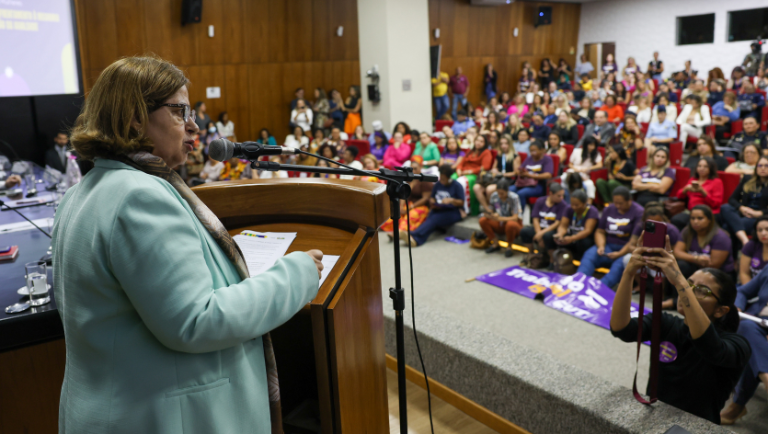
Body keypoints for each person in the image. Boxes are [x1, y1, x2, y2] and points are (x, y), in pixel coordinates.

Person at [57, 56, 323, 433]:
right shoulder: (138, 196)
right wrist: (295, 275)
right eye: (180, 111)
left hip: (110, 407)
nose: (195, 125)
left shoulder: (82, 193)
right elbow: (196, 320)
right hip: (158, 416)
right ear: (135, 116)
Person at [611, 245, 749, 425]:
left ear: (720, 311)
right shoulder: (666, 323)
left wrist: (681, 282)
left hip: (697, 428)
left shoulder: (738, 345)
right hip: (655, 418)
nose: (689, 291)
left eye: (701, 290)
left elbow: (709, 346)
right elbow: (621, 328)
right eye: (689, 283)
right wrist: (629, 273)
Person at [722, 265, 768, 425]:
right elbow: (743, 290)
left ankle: (738, 405)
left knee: (749, 337)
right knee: (748, 330)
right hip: (760, 324)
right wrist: (738, 307)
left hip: (757, 330)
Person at [577, 187, 644, 287]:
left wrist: (619, 253)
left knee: (618, 266)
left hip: (625, 249)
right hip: (608, 245)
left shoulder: (639, 212)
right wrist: (601, 246)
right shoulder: (609, 209)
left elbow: (633, 241)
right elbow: (600, 231)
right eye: (615, 202)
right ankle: (578, 282)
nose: (617, 206)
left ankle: (600, 288)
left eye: (621, 203)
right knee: (589, 255)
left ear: (630, 200)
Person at [403, 164, 464, 247]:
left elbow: (461, 202)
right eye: (441, 177)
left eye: (443, 178)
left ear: (449, 177)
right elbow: (432, 197)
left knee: (434, 219)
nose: (441, 180)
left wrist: (451, 200)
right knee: (431, 217)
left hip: (453, 211)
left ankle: (413, 234)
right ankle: (417, 240)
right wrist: (433, 201)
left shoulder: (457, 186)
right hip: (439, 209)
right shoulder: (438, 184)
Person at [674, 205, 735, 279]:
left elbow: (713, 265)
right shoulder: (687, 231)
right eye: (692, 218)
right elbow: (677, 252)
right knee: (679, 266)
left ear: (709, 220)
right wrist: (696, 258)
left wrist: (690, 258)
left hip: (719, 274)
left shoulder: (721, 237)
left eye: (700, 218)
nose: (695, 221)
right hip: (697, 268)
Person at [719, 155, 768, 246]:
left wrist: (760, 213)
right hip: (743, 212)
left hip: (759, 217)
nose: (763, 168)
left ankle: (732, 257)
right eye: (760, 165)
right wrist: (742, 208)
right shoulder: (747, 179)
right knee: (725, 207)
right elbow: (732, 199)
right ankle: (744, 239)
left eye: (766, 166)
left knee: (727, 226)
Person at [519, 183, 568, 268]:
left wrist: (541, 234)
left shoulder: (563, 205)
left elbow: (557, 223)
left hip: (552, 229)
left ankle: (552, 260)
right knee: (525, 231)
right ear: (551, 194)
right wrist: (539, 233)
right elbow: (535, 219)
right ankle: (530, 255)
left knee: (547, 236)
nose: (561, 198)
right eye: (559, 196)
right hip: (540, 228)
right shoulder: (540, 201)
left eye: (562, 196)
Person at [382, 157, 433, 234]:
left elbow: (425, 199)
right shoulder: (409, 179)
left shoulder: (424, 180)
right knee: (396, 214)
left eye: (416, 168)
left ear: (420, 168)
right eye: (412, 169)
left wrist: (410, 208)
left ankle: (399, 232)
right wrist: (401, 207)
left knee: (411, 215)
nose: (414, 171)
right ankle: (393, 229)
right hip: (409, 204)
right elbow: (403, 195)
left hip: (421, 206)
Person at [544, 189, 597, 261]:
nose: (574, 207)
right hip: (571, 235)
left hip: (584, 238)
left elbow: (587, 231)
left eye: (577, 205)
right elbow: (563, 226)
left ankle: (580, 263)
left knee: (584, 242)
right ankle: (553, 261)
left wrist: (572, 238)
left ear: (585, 203)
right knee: (549, 236)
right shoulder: (568, 208)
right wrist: (560, 234)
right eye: (572, 204)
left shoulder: (592, 211)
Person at [672, 157, 724, 230]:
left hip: (708, 213)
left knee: (692, 224)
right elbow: (679, 196)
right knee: (676, 220)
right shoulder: (693, 180)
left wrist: (702, 191)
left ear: (711, 168)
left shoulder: (716, 182)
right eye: (699, 166)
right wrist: (686, 189)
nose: (701, 168)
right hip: (691, 211)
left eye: (705, 166)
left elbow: (716, 204)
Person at [475, 135, 519, 214]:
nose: (503, 146)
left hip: (507, 179)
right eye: (501, 144)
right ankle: (488, 208)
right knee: (477, 187)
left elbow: (516, 173)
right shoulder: (499, 155)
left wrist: (503, 174)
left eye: (506, 143)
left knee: (489, 189)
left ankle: (496, 209)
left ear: (510, 144)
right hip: (497, 178)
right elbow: (493, 169)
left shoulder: (515, 156)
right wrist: (494, 171)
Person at [479, 179, 522, 258]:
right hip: (499, 222)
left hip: (513, 224)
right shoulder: (494, 195)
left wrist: (500, 219)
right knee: (483, 220)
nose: (500, 195)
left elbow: (515, 218)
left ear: (507, 191)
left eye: (502, 193)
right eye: (498, 193)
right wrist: (491, 214)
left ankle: (509, 247)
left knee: (510, 224)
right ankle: (495, 243)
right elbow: (491, 210)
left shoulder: (514, 198)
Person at [510, 140, 554, 213]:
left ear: (542, 150)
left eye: (534, 151)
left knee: (521, 193)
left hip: (538, 185)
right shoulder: (529, 158)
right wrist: (521, 172)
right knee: (510, 190)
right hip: (524, 183)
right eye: (530, 151)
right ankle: (509, 213)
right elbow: (521, 168)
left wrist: (530, 175)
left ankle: (519, 215)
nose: (532, 153)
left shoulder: (547, 159)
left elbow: (548, 175)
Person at [455, 135, 493, 214]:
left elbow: (485, 167)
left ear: (485, 143)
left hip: (475, 175)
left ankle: (465, 208)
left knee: (461, 182)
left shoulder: (486, 152)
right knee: (451, 179)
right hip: (462, 172)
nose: (478, 143)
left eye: (481, 141)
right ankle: (453, 206)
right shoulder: (470, 151)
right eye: (477, 140)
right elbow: (462, 162)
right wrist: (458, 169)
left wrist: (469, 171)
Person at [738, 217, 768, 286]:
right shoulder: (751, 245)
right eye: (760, 230)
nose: (763, 233)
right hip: (753, 289)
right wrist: (749, 291)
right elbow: (744, 273)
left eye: (767, 229)